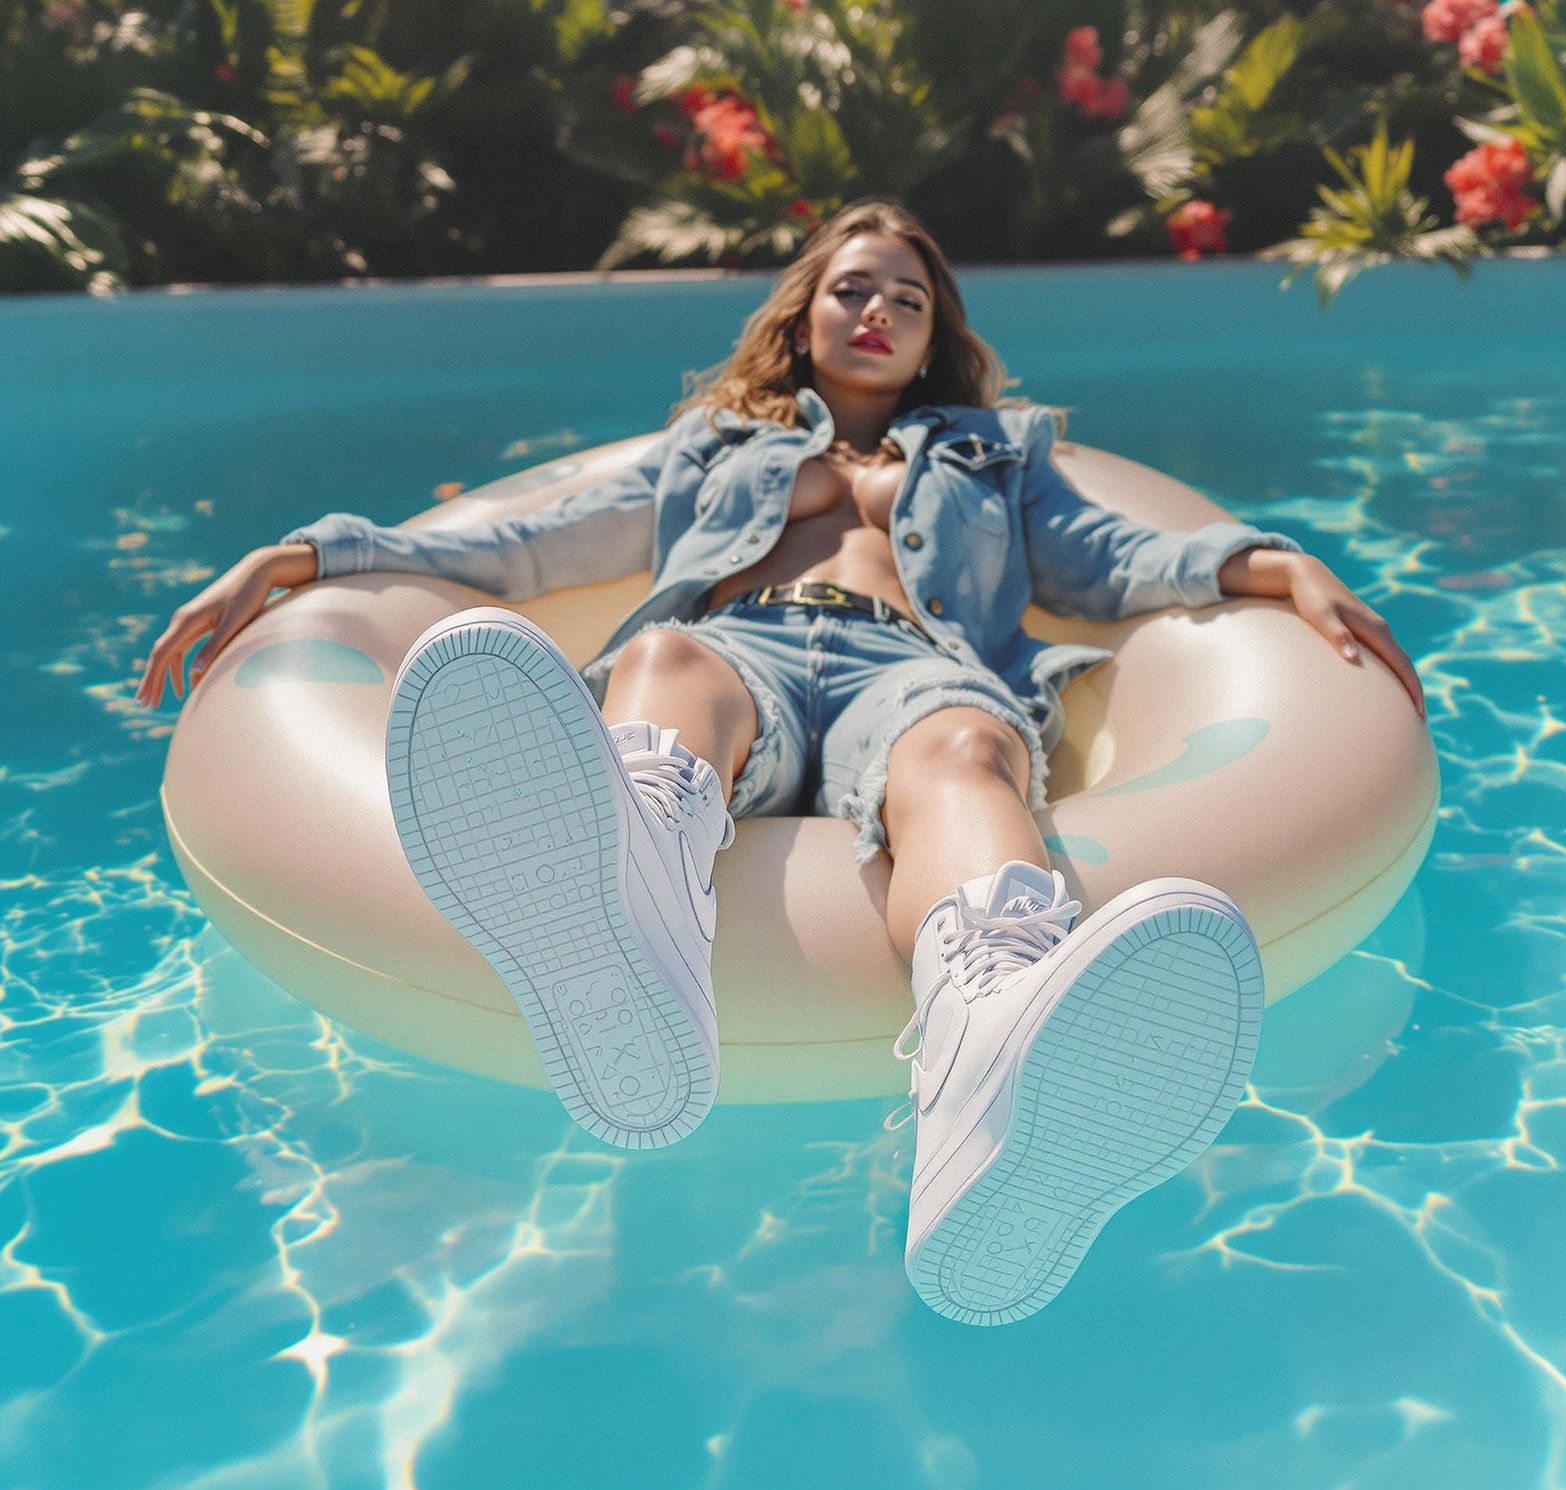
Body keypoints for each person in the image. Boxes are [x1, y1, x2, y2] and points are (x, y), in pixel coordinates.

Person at [135, 199, 1425, 1325]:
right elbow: (527, 544)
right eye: (850, 288)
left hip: (911, 669)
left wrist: (1272, 562)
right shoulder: (712, 446)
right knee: (658, 669)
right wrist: (310, 554)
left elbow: (1117, 560)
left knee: (970, 751)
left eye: (905, 298)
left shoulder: (996, 455)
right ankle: (615, 920)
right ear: (804, 312)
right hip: (737, 652)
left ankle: (996, 1071)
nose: (874, 311)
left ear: (937, 333)